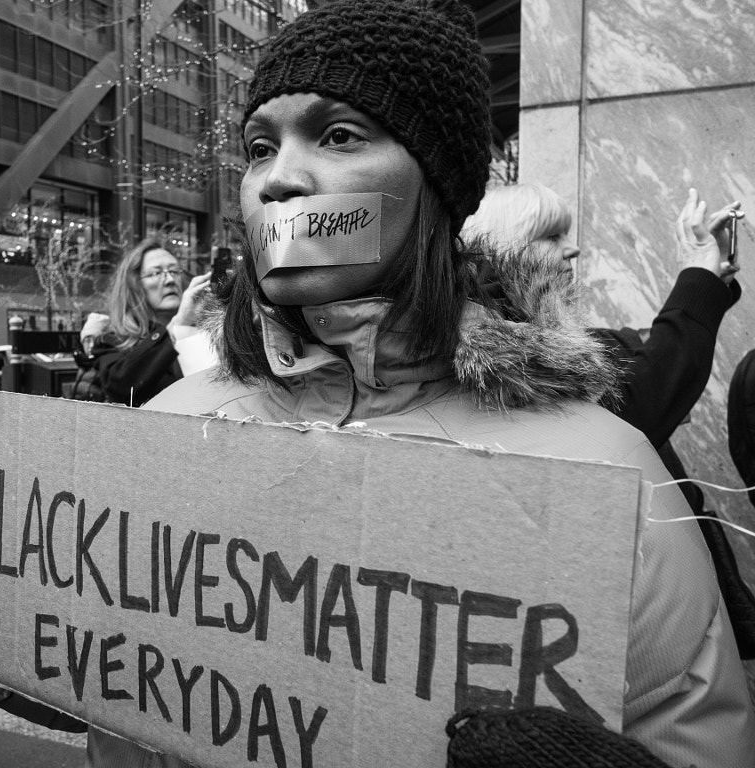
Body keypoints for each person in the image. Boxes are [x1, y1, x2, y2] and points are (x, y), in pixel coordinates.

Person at [142, 0, 755, 765]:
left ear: (436, 185)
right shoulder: (166, 426)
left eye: (338, 135)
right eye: (259, 147)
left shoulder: (609, 471)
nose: (279, 181)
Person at [461, 182, 755, 657]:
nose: (573, 247)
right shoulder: (506, 356)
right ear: (505, 249)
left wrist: (707, 278)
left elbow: (643, 366)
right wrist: (698, 274)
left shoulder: (559, 339)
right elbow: (646, 397)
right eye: (552, 237)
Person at [82, 237, 216, 406]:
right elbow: (121, 389)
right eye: (156, 273)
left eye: (174, 271)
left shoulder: (202, 331)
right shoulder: (112, 338)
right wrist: (178, 325)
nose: (169, 280)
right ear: (134, 285)